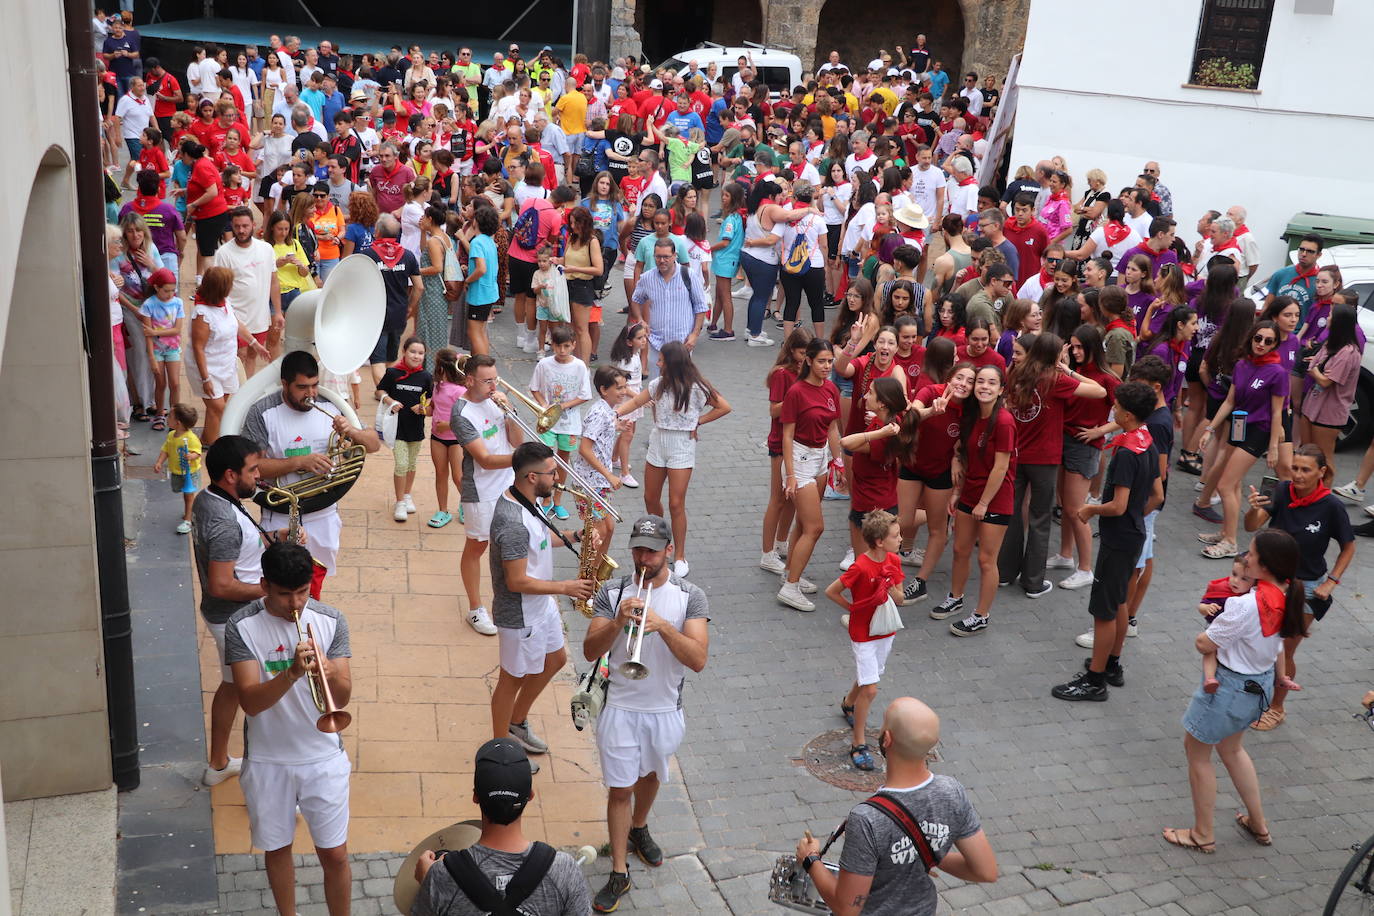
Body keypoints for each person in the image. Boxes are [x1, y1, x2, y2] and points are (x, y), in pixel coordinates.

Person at [583, 514, 710, 912]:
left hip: (663, 709)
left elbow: (699, 660)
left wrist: (665, 628)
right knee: (620, 789)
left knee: (652, 774)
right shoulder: (614, 591)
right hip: (620, 707)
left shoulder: (691, 596)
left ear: (668, 551)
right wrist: (618, 621)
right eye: (638, 549)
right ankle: (619, 870)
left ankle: (640, 827)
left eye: (651, 551)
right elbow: (589, 651)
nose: (643, 557)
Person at [225, 542, 353, 916]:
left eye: (302, 592)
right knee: (277, 849)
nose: (296, 604)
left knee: (336, 854)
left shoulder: (331, 620)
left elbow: (342, 698)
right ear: (264, 585)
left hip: (323, 756)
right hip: (268, 760)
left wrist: (332, 673)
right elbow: (250, 701)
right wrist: (292, 672)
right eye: (285, 594)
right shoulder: (242, 626)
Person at [1163, 529, 1308, 854]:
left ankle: (1202, 833)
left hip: (1228, 688)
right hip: (1257, 687)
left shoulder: (1245, 605)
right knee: (1233, 750)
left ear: (1265, 565)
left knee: (1198, 754)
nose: (1247, 557)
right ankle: (1258, 822)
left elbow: (1206, 643)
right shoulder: (1286, 594)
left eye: (1253, 554)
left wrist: (1205, 630)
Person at [793, 697, 996, 915]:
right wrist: (929, 853)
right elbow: (985, 872)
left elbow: (847, 908)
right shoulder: (951, 791)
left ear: (887, 739)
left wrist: (810, 859)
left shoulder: (867, 819)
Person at [1051, 381, 1163, 700]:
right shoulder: (1147, 441)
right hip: (1134, 535)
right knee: (1120, 602)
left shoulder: (1127, 453)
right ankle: (1112, 662)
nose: (1111, 409)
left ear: (1126, 414)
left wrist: (1089, 509)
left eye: (1115, 406)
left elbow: (1118, 505)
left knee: (1104, 610)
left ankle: (1095, 679)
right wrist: (1134, 521)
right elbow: (1157, 495)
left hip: (1118, 540)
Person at [192, 435, 292, 788]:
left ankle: (218, 764)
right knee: (263, 697)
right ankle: (268, 778)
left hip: (229, 615)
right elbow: (220, 584)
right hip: (239, 619)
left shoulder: (213, 498)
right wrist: (273, 595)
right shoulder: (222, 520)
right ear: (231, 475)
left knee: (232, 687)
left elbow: (240, 546)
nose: (259, 476)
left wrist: (275, 537)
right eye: (253, 470)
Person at [241, 350, 381, 598]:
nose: (311, 394)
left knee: (313, 587)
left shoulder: (331, 405)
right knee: (279, 586)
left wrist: (352, 431)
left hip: (323, 513)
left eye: (315, 385)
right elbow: (254, 467)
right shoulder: (262, 411)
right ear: (285, 384)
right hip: (281, 514)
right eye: (302, 387)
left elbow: (373, 445)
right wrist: (298, 462)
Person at [489, 442, 597, 764]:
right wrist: (566, 587)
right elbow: (516, 581)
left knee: (556, 659)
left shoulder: (527, 500)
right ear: (532, 476)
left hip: (541, 605)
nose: (558, 477)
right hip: (521, 614)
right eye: (552, 472)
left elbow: (538, 539)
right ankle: (500, 755)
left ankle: (516, 723)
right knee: (511, 680)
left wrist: (575, 536)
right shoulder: (512, 522)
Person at [409, 738, 592, 916]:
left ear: (476, 796)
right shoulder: (563, 870)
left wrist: (428, 881)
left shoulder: (441, 876)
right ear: (530, 795)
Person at [1242, 445, 1355, 730]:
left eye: (1306, 469)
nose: (1299, 475)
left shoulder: (1331, 506)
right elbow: (1250, 526)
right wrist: (1254, 508)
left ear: (1321, 472)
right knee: (1261, 642)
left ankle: (1277, 707)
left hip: (1306, 588)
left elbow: (1348, 547)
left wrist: (1332, 582)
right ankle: (1255, 691)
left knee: (1284, 649)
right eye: (1295, 468)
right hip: (1269, 582)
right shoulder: (1281, 491)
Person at [615, 342, 731, 578]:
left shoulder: (697, 387)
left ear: (673, 363)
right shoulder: (658, 384)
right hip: (658, 441)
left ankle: (679, 555)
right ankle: (660, 542)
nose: (658, 364)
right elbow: (636, 402)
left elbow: (724, 407)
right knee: (650, 498)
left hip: (682, 445)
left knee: (676, 503)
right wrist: (613, 414)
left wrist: (699, 421)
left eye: (661, 361)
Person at [1192, 320, 1288, 559]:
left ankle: (1231, 542)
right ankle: (1226, 532)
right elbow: (1230, 401)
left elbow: (1278, 412)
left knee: (1225, 484)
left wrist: (1274, 446)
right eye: (1258, 339)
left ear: (1275, 344)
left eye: (1269, 341)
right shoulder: (1243, 365)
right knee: (1232, 484)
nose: (1262, 344)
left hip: (1259, 430)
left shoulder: (1277, 372)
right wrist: (1210, 429)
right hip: (1239, 424)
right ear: (1251, 338)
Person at [824, 510, 904, 772]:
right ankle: (857, 743)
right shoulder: (860, 566)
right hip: (863, 634)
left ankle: (848, 703)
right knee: (870, 689)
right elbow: (831, 591)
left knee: (868, 675)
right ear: (879, 541)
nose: (901, 539)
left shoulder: (893, 560)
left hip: (885, 630)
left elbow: (901, 599)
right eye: (896, 535)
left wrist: (890, 587)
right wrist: (851, 607)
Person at [452, 355, 523, 635]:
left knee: (514, 540)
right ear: (470, 381)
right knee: (477, 546)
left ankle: (512, 595)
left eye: (496, 379)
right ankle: (475, 609)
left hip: (509, 483)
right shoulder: (461, 413)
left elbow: (516, 440)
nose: (494, 385)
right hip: (481, 489)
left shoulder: (498, 401)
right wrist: (525, 459)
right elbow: (484, 459)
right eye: (488, 380)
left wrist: (510, 412)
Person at [187, 267, 269, 445]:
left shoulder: (224, 302)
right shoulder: (201, 314)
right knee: (220, 409)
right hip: (207, 368)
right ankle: (221, 444)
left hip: (225, 363)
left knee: (215, 411)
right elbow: (198, 348)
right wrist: (205, 378)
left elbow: (236, 323)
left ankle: (207, 442)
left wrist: (254, 343)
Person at [530, 326, 593, 520]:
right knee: (546, 459)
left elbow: (585, 395)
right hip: (548, 422)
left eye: (567, 346)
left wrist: (562, 407)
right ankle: (544, 499)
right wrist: (545, 407)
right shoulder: (544, 364)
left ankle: (557, 501)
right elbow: (535, 389)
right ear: (552, 345)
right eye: (559, 346)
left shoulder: (580, 366)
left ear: (574, 345)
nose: (562, 351)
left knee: (563, 462)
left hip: (569, 424)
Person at [214, 207, 284, 375]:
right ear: (231, 225)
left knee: (252, 355)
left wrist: (278, 312)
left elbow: (274, 282)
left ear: (253, 225)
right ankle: (236, 394)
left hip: (259, 316)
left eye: (245, 226)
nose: (241, 230)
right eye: (237, 226)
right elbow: (219, 288)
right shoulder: (223, 253)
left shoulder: (266, 249)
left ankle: (246, 395)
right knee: (240, 356)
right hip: (235, 316)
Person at [631, 238, 709, 371]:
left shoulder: (688, 275)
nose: (662, 261)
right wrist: (640, 320)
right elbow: (635, 299)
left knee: (680, 387)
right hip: (656, 343)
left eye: (666, 257)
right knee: (656, 386)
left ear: (675, 256)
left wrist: (695, 335)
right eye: (658, 256)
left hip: (682, 344)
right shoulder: (647, 278)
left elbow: (701, 307)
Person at [363, 214, 424, 386]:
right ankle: (389, 392)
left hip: (376, 316)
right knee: (391, 358)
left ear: (377, 231)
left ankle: (385, 395)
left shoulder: (368, 255)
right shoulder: (408, 255)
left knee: (377, 359)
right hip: (399, 313)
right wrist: (410, 307)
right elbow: (419, 287)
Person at [378, 338, 434, 523]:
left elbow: (432, 399)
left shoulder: (426, 377)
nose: (416, 356)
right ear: (404, 351)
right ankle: (400, 501)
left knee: (411, 464)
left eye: (420, 353)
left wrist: (422, 406)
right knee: (401, 464)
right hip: (397, 427)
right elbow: (380, 391)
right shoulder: (393, 372)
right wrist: (390, 401)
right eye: (413, 352)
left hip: (416, 426)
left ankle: (407, 494)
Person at [1195, 556, 1257, 693]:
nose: (1235, 580)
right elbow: (1201, 606)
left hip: (1236, 634)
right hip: (1214, 628)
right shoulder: (1219, 588)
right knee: (1209, 651)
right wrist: (1207, 608)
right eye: (1234, 574)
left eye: (1244, 579)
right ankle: (1210, 678)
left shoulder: (1250, 597)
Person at [153, 403, 203, 534]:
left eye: (170, 416)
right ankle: (189, 511)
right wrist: (159, 461)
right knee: (183, 493)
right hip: (177, 471)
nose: (167, 417)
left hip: (190, 472)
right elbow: (166, 449)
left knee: (188, 496)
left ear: (178, 423)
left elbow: (198, 451)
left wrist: (192, 455)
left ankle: (188, 519)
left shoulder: (191, 438)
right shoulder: (171, 435)